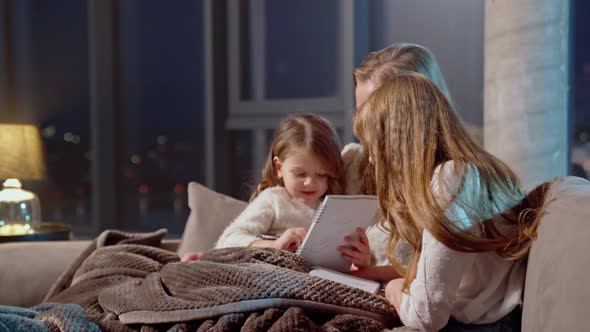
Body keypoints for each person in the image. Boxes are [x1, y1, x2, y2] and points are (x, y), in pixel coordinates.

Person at [353, 72, 551, 331]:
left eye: (374, 147)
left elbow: (426, 317)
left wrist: (394, 289)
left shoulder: (452, 180)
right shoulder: (468, 172)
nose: (372, 160)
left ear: (395, 142)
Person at [339, 43, 453, 279]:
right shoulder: (352, 162)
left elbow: (434, 277)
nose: (364, 121)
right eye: (360, 110)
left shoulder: (445, 184)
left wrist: (366, 273)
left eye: (373, 110)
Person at [181, 113, 348, 261]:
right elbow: (229, 240)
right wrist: (274, 245)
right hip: (270, 276)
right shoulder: (274, 199)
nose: (310, 182)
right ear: (279, 168)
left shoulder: (331, 206)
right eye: (300, 174)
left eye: (321, 174)